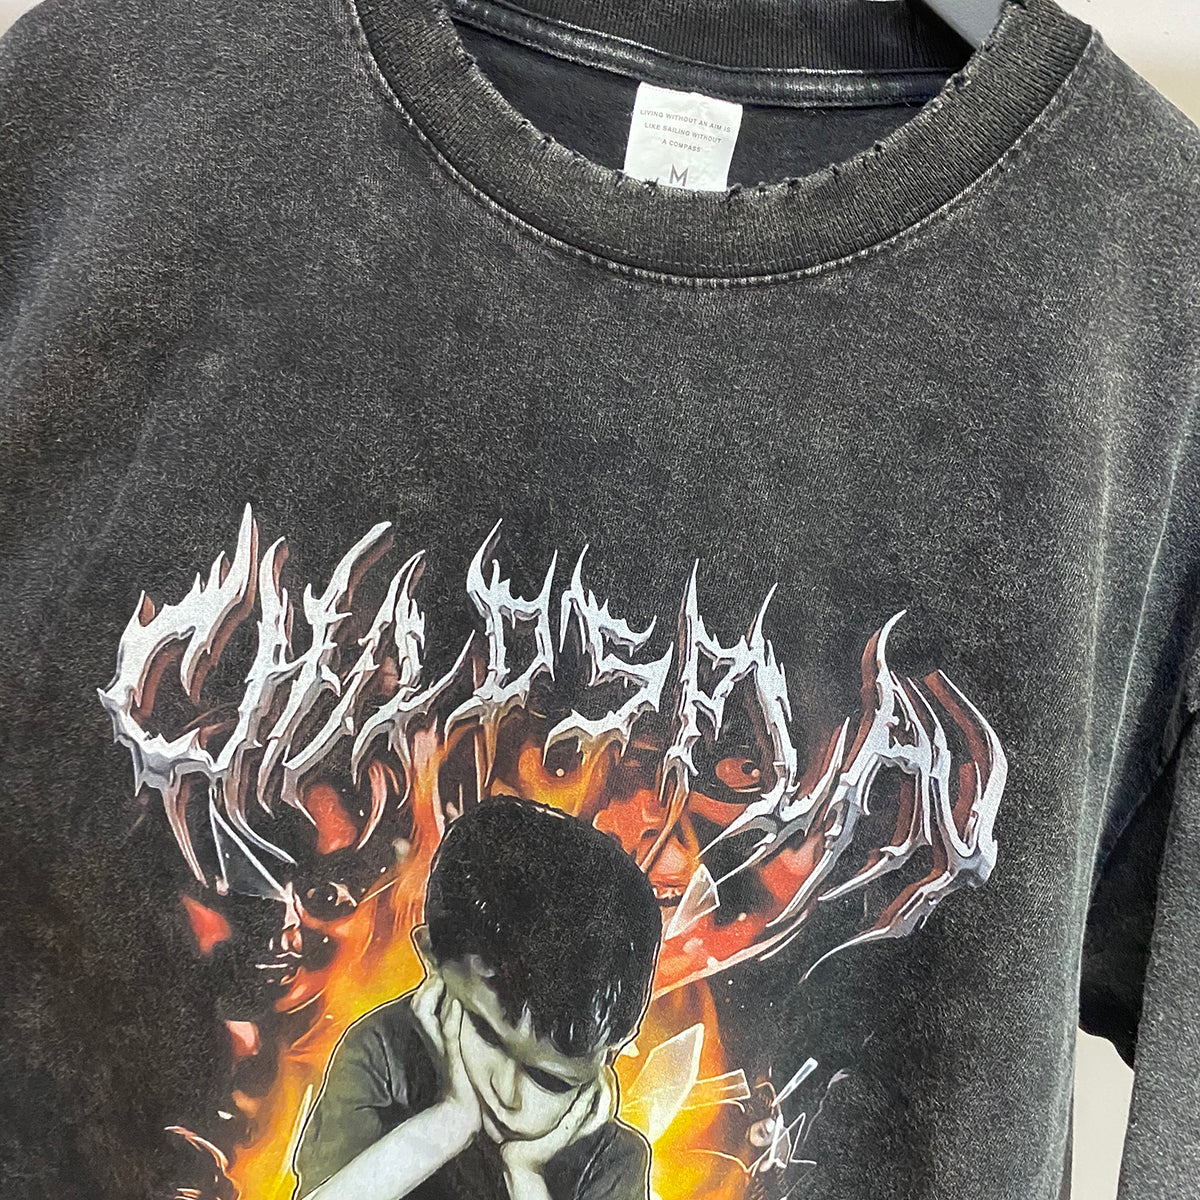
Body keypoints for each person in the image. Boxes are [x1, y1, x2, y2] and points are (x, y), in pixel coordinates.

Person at [292, 796, 662, 1200]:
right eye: (486, 1034)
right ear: (435, 963)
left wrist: (526, 1177)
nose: (508, 1095)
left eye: (549, 1079)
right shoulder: (385, 1056)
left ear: (609, 1053)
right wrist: (448, 1123)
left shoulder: (609, 1160)